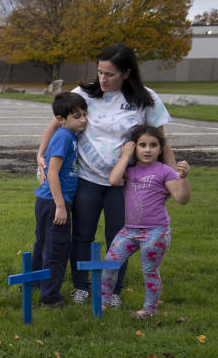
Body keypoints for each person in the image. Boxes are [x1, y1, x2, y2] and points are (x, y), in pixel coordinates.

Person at [36, 44, 184, 306]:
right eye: (100, 72)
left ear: (127, 73)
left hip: (125, 184)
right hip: (87, 180)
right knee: (82, 235)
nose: (102, 79)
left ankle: (113, 289)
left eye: (110, 74)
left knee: (120, 237)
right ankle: (81, 286)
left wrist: (172, 180)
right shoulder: (84, 94)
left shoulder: (145, 99)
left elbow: (162, 141)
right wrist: (40, 154)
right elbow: (56, 122)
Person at [101, 125, 190, 317]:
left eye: (153, 145)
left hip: (156, 231)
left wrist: (183, 179)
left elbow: (182, 199)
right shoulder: (130, 170)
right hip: (130, 230)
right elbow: (114, 180)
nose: (148, 149)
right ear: (135, 148)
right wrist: (125, 156)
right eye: (142, 145)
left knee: (149, 270)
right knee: (109, 262)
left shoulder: (165, 171)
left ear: (160, 149)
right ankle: (104, 301)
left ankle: (149, 310)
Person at [32, 92, 88, 307]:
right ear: (61, 119)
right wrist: (61, 206)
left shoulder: (70, 135)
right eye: (76, 116)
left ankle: (35, 282)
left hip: (49, 201)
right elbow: (53, 172)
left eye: (84, 114)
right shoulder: (64, 137)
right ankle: (51, 297)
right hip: (54, 202)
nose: (82, 119)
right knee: (57, 249)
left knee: (45, 244)